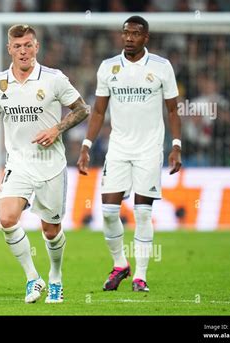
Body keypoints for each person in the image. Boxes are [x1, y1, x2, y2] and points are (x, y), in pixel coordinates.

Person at [0, 25, 90, 303]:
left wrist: (57, 129)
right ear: (9, 49)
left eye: (28, 45)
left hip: (51, 165)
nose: (23, 51)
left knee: (51, 230)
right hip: (19, 163)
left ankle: (56, 277)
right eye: (18, 46)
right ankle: (33, 278)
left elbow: (83, 108)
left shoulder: (54, 79)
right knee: (7, 218)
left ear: (36, 47)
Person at [77, 16, 181, 292]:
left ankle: (141, 276)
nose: (129, 37)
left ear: (146, 38)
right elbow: (98, 111)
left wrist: (176, 145)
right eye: (126, 33)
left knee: (143, 213)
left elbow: (172, 109)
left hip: (149, 149)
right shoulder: (108, 67)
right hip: (118, 149)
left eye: (136, 33)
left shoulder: (161, 67)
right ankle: (120, 264)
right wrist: (86, 146)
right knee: (109, 211)